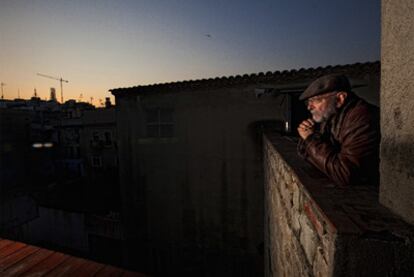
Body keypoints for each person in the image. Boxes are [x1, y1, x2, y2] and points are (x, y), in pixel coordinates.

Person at [297, 74, 380, 186]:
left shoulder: (361, 118)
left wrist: (310, 139)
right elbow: (306, 155)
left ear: (340, 98)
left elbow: (344, 173)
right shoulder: (331, 116)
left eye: (315, 100)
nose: (309, 107)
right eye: (308, 102)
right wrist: (309, 137)